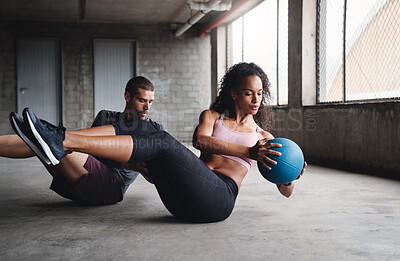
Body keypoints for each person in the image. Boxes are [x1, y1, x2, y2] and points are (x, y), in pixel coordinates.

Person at [11, 62, 306, 222]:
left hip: (218, 201)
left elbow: (285, 190)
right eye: (248, 93)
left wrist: (292, 175)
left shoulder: (264, 138)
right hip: (180, 203)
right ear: (233, 93)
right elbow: (200, 141)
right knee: (145, 130)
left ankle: (59, 140)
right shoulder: (212, 116)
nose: (255, 99)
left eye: (259, 94)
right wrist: (248, 151)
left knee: (160, 139)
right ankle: (59, 139)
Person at [3, 76, 163, 205]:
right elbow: (86, 146)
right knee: (38, 142)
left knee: (53, 142)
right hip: (76, 178)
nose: (147, 108)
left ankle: (45, 135)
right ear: (127, 96)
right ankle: (42, 136)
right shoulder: (105, 116)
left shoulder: (151, 130)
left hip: (110, 188)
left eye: (150, 102)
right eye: (142, 100)